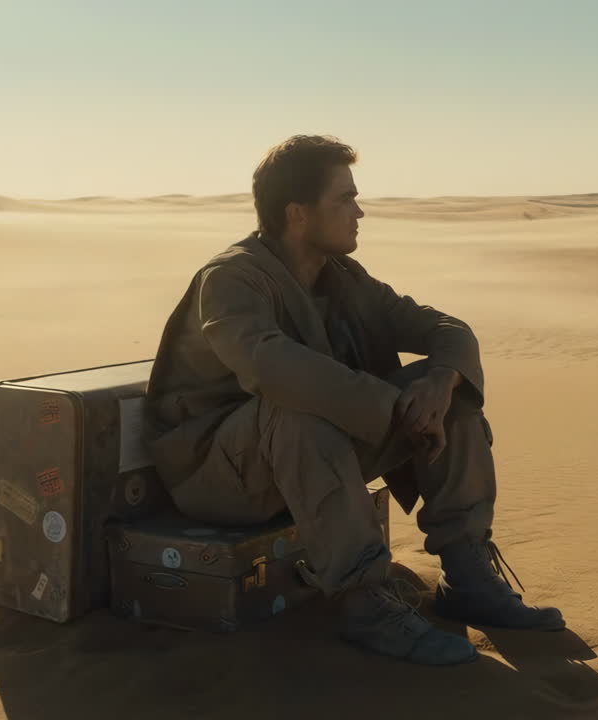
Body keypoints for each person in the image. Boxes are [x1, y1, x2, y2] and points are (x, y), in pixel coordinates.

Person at [144, 135, 564, 665]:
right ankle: (366, 604)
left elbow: (446, 329)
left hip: (307, 452)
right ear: (298, 213)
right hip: (218, 474)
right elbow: (274, 367)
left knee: (449, 398)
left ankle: (468, 575)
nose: (360, 211)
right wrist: (396, 410)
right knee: (298, 407)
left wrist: (438, 384)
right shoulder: (232, 279)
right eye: (345, 199)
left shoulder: (344, 279)